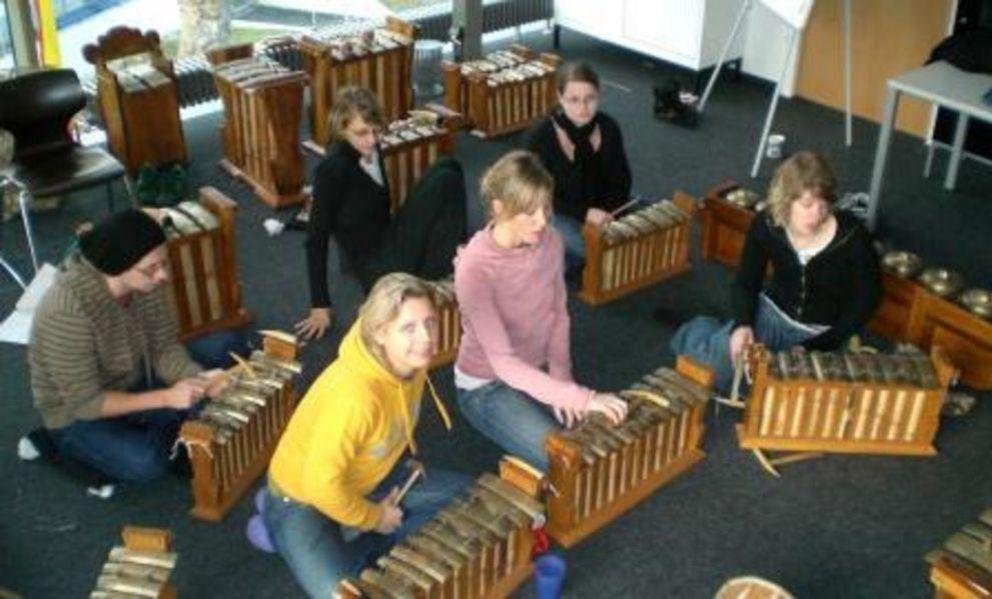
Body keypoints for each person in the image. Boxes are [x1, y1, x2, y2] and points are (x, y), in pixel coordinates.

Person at [264, 273, 469, 597]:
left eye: (430, 323)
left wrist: (400, 463)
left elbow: (389, 424)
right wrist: (375, 518)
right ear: (380, 333)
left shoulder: (409, 361)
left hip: (366, 480)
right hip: (302, 498)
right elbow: (320, 486)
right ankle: (290, 526)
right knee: (347, 594)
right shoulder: (355, 398)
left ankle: (351, 534)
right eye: (409, 328)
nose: (427, 338)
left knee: (467, 499)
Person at [23, 209, 244, 483]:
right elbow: (86, 402)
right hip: (77, 411)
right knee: (146, 463)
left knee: (228, 347)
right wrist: (167, 398)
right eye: (152, 268)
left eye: (164, 263)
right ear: (116, 266)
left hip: (133, 377)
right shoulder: (66, 311)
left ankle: (161, 427)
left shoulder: (146, 284)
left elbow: (163, 346)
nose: (163, 275)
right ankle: (57, 444)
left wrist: (194, 378)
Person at [454, 150, 628, 472]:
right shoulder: (474, 270)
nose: (542, 221)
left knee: (598, 443)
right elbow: (504, 365)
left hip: (536, 367)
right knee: (566, 463)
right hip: (486, 385)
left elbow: (558, 314)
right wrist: (583, 398)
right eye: (529, 212)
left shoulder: (551, 241)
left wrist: (562, 376)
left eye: (546, 207)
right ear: (499, 209)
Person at [670, 151, 882, 394]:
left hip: (822, 332)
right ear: (785, 201)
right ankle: (701, 331)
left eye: (823, 203)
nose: (817, 213)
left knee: (784, 395)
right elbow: (746, 282)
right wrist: (742, 324)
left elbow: (868, 297)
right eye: (807, 204)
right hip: (772, 313)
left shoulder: (852, 236)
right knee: (717, 371)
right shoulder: (767, 225)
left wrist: (821, 345)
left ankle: (724, 334)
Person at [297, 87, 467, 340]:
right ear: (341, 130)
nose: (371, 140)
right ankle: (445, 269)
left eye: (375, 131)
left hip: (390, 237)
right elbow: (315, 240)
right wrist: (320, 305)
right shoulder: (332, 170)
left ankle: (448, 259)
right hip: (378, 267)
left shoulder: (369, 149)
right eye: (361, 133)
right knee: (444, 182)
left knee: (447, 166)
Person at [526, 61, 632, 269]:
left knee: (654, 213)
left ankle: (563, 259)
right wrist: (585, 215)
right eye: (573, 100)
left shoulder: (609, 127)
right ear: (559, 97)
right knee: (591, 246)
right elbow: (536, 197)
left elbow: (622, 179)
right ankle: (571, 257)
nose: (583, 108)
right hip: (557, 211)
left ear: (599, 94)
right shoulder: (540, 136)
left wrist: (610, 212)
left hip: (602, 208)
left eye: (590, 99)